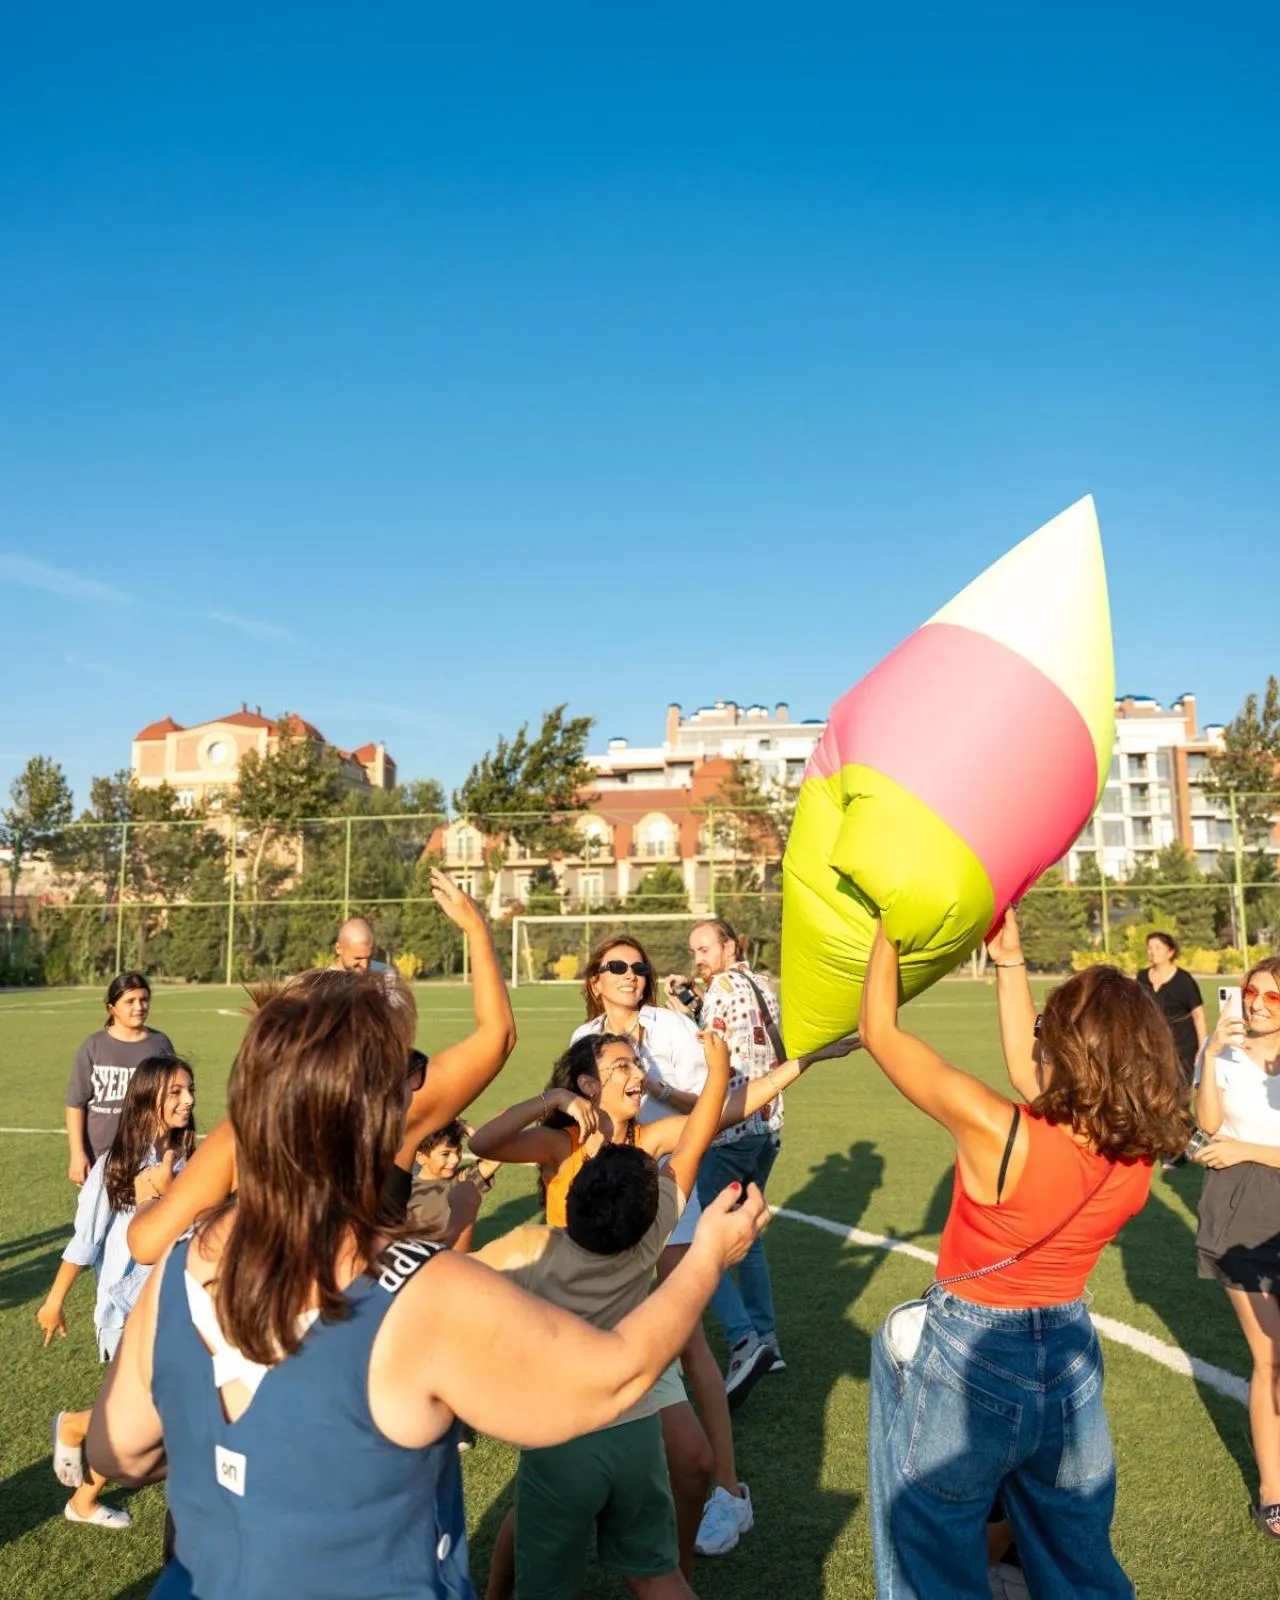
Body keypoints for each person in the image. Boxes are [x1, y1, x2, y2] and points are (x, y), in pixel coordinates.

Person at [85, 968, 769, 1600]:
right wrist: (708, 1253)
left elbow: (118, 1450)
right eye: (405, 1079)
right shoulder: (419, 1289)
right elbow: (614, 1379)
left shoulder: (181, 1266)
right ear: (376, 1114)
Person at [859, 910, 1189, 1600]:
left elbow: (879, 1033)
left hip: (971, 1350)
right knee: (1077, 1560)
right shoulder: (1134, 1150)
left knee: (932, 1558)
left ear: (1070, 1050)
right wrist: (1010, 960)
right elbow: (1026, 1067)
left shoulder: (996, 1129)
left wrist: (890, 929)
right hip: (1066, 1353)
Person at [470, 1025, 839, 1580]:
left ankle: (676, 1572)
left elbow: (721, 1115)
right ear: (589, 1082)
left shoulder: (649, 1141)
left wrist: (801, 1063)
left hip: (636, 1334)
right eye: (621, 1066)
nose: (637, 1074)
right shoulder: (559, 1145)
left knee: (693, 1466)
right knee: (547, 1502)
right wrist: (556, 1101)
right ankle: (500, 1592)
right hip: (567, 1347)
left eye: (636, 1063)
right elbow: (483, 1144)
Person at [127, 869, 515, 1266]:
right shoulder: (395, 1115)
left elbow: (146, 1244)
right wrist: (476, 930)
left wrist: (150, 1196)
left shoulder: (248, 1134)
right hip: (375, 1321)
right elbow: (498, 1038)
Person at [473, 1020, 733, 1599]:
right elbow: (692, 1148)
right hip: (633, 1422)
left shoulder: (535, 1248)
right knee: (652, 1571)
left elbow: (454, 1284)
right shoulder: (650, 1239)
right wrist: (718, 1072)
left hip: (562, 1421)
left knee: (546, 1569)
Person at [571, 933, 762, 1554]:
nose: (631, 974)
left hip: (667, 1187)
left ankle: (729, 1492)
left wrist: (646, 1078)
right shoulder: (585, 1042)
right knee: (608, 1329)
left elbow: (704, 1101)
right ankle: (624, 1469)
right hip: (607, 1198)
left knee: (687, 1341)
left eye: (638, 967)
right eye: (617, 967)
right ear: (595, 980)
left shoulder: (672, 1026)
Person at [39, 1057, 196, 1529]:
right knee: (154, 1418)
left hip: (174, 1303)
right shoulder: (116, 1164)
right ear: (149, 1098)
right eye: (175, 1092)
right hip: (129, 1310)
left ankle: (83, 1490)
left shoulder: (187, 1160)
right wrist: (54, 1300)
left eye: (190, 1090)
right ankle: (77, 1429)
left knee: (150, 1416)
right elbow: (85, 1240)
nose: (188, 1100)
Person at [668, 918, 786, 1400]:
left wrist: (682, 1014)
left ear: (729, 946)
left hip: (730, 1128)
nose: (698, 958)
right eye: (693, 950)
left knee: (699, 1236)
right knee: (750, 1238)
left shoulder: (719, 988)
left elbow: (711, 1055)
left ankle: (744, 1340)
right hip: (769, 1125)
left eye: (704, 948)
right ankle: (768, 1338)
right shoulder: (764, 984)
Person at [1192, 956, 1280, 1540]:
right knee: (1271, 1358)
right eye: (1252, 992)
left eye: (1272, 998)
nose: (1255, 1003)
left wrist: (1248, 1149)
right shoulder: (1221, 1054)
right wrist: (1205, 1058)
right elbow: (1204, 1126)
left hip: (1256, 1173)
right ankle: (1274, 1493)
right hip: (1240, 1209)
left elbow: (1238, 1143)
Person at [66, 971, 176, 1183]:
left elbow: (171, 1098)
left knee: (145, 1215)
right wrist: (77, 1154)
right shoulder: (93, 1046)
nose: (139, 1007)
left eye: (144, 1000)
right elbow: (75, 1104)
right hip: (99, 1158)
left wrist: (168, 1149)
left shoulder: (160, 1044)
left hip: (146, 1156)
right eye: (130, 1001)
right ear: (111, 1008)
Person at [408, 1119, 501, 1251]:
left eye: (458, 1151)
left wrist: (466, 1128)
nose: (455, 1159)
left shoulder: (460, 1181)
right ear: (421, 1157)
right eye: (445, 1154)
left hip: (449, 1261)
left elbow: (493, 1161)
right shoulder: (403, 1189)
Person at [1137, 931, 1207, 1080]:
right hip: (1152, 1046)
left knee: (1178, 1093)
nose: (1152, 952)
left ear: (1170, 952)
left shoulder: (1184, 980)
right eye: (1149, 948)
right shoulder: (1141, 977)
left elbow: (1198, 1016)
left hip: (1182, 1047)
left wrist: (1202, 1050)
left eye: (1157, 947)